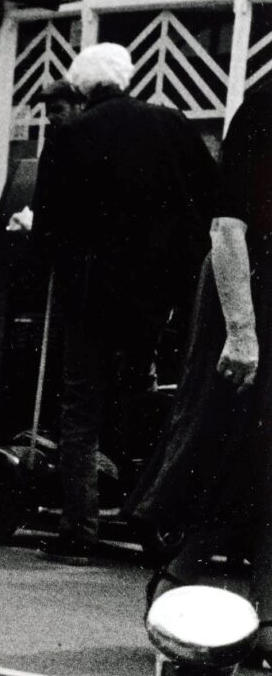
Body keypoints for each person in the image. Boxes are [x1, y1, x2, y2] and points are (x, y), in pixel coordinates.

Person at [28, 40, 217, 558]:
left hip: (89, 295)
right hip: (157, 297)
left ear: (84, 89)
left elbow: (48, 226)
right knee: (147, 399)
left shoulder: (71, 136)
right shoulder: (173, 125)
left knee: (81, 408)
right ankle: (152, 515)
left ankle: (80, 528)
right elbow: (207, 199)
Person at [129, 80, 269, 648]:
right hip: (252, 292)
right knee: (219, 440)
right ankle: (177, 577)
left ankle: (263, 605)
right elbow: (227, 226)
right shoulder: (265, 104)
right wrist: (241, 331)